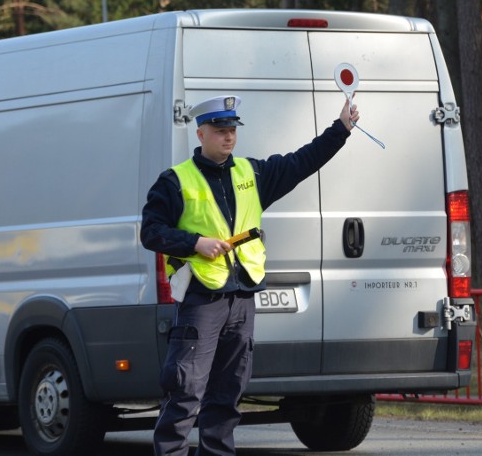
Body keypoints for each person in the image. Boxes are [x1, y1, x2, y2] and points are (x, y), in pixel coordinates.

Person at [140, 94, 359, 456]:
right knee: (185, 391)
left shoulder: (252, 173)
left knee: (228, 393)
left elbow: (302, 161)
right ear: (200, 133)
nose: (228, 137)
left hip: (241, 300)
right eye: (220, 130)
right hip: (202, 301)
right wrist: (195, 243)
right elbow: (151, 232)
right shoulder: (175, 181)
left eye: (232, 130)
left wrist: (342, 129)